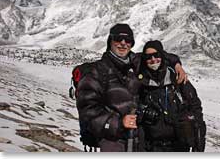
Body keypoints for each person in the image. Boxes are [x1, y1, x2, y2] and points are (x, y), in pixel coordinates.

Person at [76, 24, 187, 152]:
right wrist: (119, 122)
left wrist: (177, 64)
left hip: (138, 138)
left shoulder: (136, 62)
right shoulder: (96, 71)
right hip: (112, 140)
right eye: (118, 39)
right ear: (110, 41)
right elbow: (87, 110)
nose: (123, 43)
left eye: (128, 40)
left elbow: (158, 54)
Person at [137, 40, 206, 152]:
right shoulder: (141, 82)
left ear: (162, 56)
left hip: (179, 146)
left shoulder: (178, 79)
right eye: (149, 57)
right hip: (151, 147)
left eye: (156, 55)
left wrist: (198, 147)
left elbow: (196, 111)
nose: (153, 59)